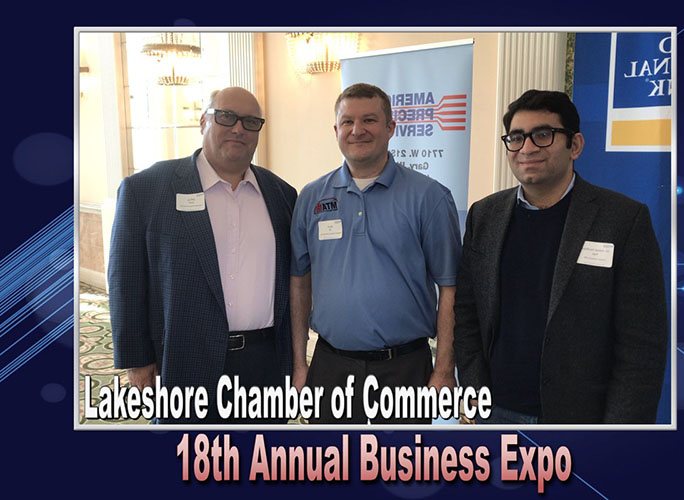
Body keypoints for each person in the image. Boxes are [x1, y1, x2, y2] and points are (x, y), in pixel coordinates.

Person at [453, 89, 668, 424]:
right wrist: (471, 393)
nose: (527, 148)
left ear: (575, 145)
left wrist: (622, 435)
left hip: (582, 420)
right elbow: (467, 314)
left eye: (543, 135)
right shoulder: (484, 215)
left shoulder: (623, 220)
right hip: (493, 413)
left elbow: (642, 347)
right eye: (516, 137)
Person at [109, 87, 297, 424]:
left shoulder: (282, 194)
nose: (239, 128)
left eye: (251, 122)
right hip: (184, 359)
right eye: (226, 116)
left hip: (265, 363)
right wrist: (136, 360)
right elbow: (125, 282)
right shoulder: (148, 189)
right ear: (202, 121)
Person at [290, 83, 462, 423]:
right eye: (348, 121)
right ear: (336, 129)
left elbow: (451, 289)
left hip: (404, 369)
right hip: (330, 366)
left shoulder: (429, 197)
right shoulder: (311, 197)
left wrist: (444, 370)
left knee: (402, 469)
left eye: (369, 120)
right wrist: (299, 363)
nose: (357, 130)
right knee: (329, 470)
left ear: (390, 128)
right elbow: (299, 282)